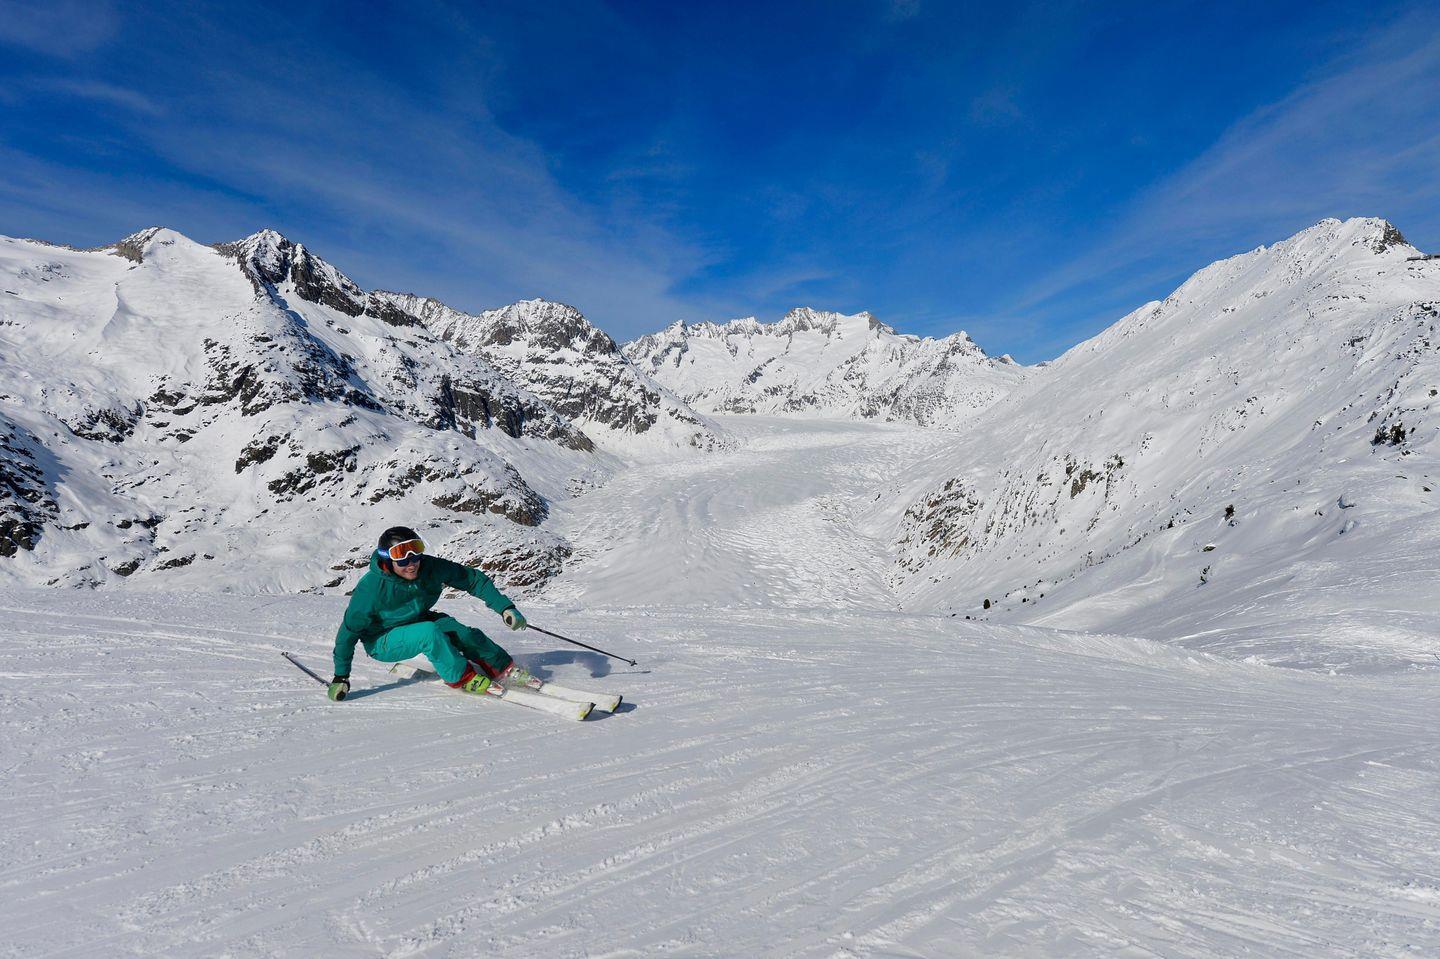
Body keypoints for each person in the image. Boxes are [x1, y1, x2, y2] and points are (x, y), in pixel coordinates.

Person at [327, 526, 529, 701]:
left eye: (415, 553)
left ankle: (502, 667)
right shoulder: (371, 589)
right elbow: (348, 633)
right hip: (381, 639)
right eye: (401, 557)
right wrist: (341, 676)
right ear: (387, 560)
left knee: (462, 633)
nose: (411, 563)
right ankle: (462, 677)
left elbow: (472, 579)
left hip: (416, 619)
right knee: (428, 633)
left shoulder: (429, 567)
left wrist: (505, 608)